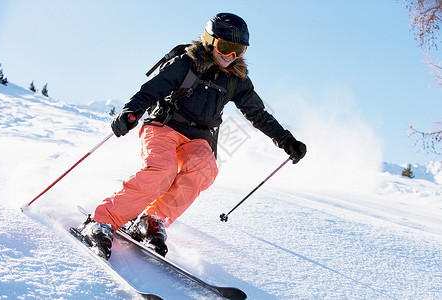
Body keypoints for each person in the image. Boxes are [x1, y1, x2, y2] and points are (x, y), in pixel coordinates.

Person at [79, 12, 307, 259]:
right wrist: (130, 112)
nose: (230, 56)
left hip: (198, 138)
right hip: (164, 126)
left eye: (238, 50)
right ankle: (102, 221)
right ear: (210, 40)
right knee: (163, 171)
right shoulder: (185, 63)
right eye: (226, 47)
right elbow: (150, 91)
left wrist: (286, 140)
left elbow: (258, 114)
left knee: (205, 170)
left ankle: (151, 220)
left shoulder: (236, 80)